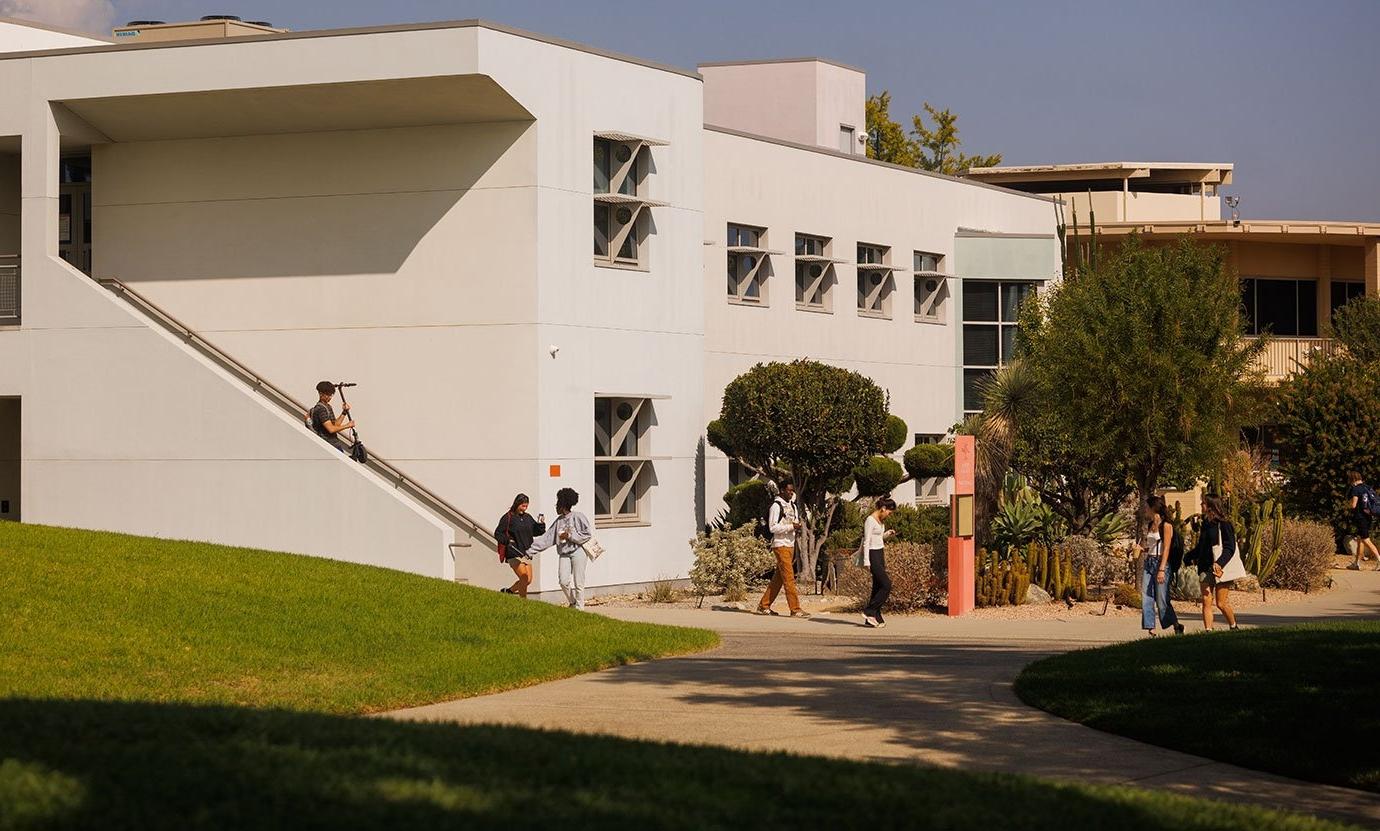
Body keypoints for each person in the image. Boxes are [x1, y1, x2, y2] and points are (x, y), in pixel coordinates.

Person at [530, 487, 593, 609]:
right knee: (563, 581)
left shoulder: (578, 517)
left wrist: (569, 536)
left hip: (578, 552)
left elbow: (587, 534)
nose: (555, 506)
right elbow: (546, 539)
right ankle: (573, 602)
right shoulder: (558, 521)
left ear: (563, 505)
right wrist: (529, 550)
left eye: (557, 504)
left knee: (578, 582)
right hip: (564, 553)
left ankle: (580, 609)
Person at [755, 482, 810, 618]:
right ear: (781, 490)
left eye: (792, 491)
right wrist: (791, 526)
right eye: (788, 490)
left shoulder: (793, 506)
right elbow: (773, 527)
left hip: (790, 544)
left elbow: (795, 522)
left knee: (779, 578)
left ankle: (764, 605)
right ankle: (795, 609)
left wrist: (796, 526)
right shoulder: (776, 506)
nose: (791, 493)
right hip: (780, 544)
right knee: (789, 578)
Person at [1191, 495, 1239, 631]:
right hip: (1205, 566)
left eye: (1204, 503)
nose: (1201, 505)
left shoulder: (1224, 524)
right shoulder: (1205, 524)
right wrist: (1189, 556)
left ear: (1211, 506)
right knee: (1206, 600)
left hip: (1220, 567)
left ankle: (1233, 626)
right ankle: (1208, 630)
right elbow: (1202, 546)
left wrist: (1220, 563)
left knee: (1221, 603)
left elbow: (1230, 547)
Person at [1139, 496, 1184, 637]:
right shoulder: (1150, 524)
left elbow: (1166, 549)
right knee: (1146, 596)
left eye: (1146, 507)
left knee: (1162, 600)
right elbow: (1152, 546)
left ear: (1153, 508)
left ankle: (1176, 625)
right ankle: (1151, 628)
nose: (1145, 510)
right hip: (1149, 562)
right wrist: (1141, 549)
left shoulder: (1166, 526)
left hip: (1162, 563)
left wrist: (1162, 569)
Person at [495, 493, 546, 598]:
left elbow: (535, 531)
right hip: (513, 552)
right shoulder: (508, 517)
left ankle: (509, 591)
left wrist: (541, 525)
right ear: (517, 504)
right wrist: (507, 541)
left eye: (526, 506)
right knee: (524, 577)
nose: (525, 508)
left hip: (526, 552)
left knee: (528, 580)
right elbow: (498, 533)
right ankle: (523, 601)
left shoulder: (527, 517)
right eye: (523, 505)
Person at [859, 497, 897, 628]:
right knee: (886, 584)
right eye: (889, 512)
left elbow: (878, 537)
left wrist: (886, 534)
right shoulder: (870, 520)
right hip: (872, 554)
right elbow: (867, 541)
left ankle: (874, 616)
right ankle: (869, 611)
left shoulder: (880, 521)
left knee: (877, 586)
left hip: (880, 552)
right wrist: (866, 560)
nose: (889, 515)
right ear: (883, 508)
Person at [1345, 471, 1380, 571]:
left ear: (1352, 479)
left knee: (1365, 540)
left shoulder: (1356, 489)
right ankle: (1357, 563)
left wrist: (1349, 503)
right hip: (1368, 516)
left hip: (1360, 517)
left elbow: (1353, 505)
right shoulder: (1367, 487)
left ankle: (1379, 559)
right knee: (1360, 540)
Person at [307, 381, 353, 452]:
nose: (330, 397)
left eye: (331, 395)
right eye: (327, 395)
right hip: (329, 445)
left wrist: (344, 413)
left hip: (334, 443)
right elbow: (331, 429)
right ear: (320, 393)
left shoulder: (328, 406)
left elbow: (335, 425)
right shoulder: (320, 409)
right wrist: (347, 425)